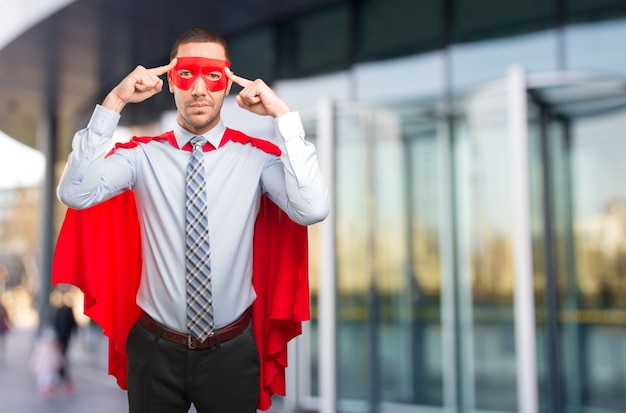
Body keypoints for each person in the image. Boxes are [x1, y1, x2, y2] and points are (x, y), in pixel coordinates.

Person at [54, 27, 328, 413]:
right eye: (186, 74)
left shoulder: (256, 159)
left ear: (228, 83)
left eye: (212, 75)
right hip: (154, 351)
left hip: (231, 352)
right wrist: (114, 103)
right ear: (170, 82)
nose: (199, 88)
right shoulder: (140, 157)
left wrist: (284, 118)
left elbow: (312, 208)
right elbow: (76, 193)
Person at [53, 293, 78, 392]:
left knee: (62, 357)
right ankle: (61, 375)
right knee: (61, 357)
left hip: (65, 338)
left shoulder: (68, 311)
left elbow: (73, 324)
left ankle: (62, 375)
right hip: (61, 338)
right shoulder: (60, 311)